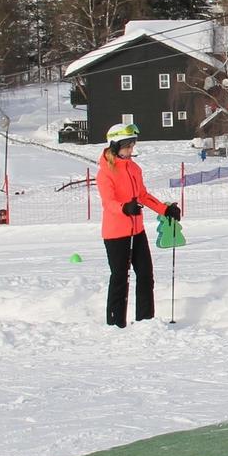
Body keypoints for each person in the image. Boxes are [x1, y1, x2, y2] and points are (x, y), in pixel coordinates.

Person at [96, 122, 179, 328]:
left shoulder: (134, 168)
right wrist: (125, 208)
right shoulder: (105, 172)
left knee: (145, 274)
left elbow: (142, 195)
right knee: (119, 278)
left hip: (137, 230)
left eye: (132, 146)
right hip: (116, 233)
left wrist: (165, 209)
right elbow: (109, 203)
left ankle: (145, 321)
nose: (131, 150)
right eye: (127, 146)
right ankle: (115, 323)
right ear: (115, 145)